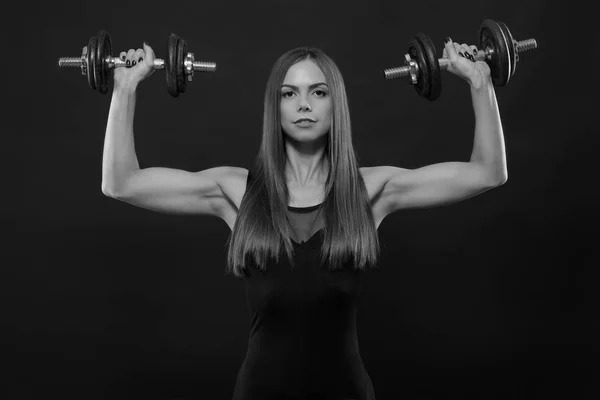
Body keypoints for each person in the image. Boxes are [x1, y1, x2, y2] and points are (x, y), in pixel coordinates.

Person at [101, 36, 507, 400]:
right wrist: (125, 89)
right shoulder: (238, 191)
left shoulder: (368, 191)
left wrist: (479, 83)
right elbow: (122, 183)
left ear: (336, 105)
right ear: (274, 106)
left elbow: (488, 171)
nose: (304, 105)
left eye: (318, 92)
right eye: (289, 93)